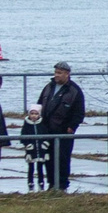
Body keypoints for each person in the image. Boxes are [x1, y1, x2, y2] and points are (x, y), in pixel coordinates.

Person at [38, 62, 86, 192]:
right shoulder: (48, 87)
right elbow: (39, 104)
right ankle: (52, 184)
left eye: (59, 73)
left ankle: (62, 185)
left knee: (62, 159)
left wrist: (71, 127)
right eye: (55, 72)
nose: (56, 75)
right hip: (47, 130)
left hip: (64, 132)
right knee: (48, 158)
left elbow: (79, 112)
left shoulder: (74, 91)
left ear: (67, 74)